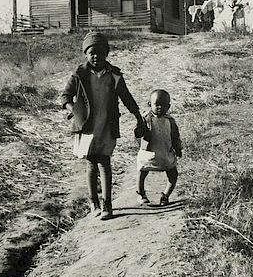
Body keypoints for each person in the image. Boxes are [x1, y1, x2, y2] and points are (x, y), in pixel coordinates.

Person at [58, 31, 146, 220]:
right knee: (91, 165)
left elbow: (127, 98)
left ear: (106, 54)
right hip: (87, 127)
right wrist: (74, 110)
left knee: (105, 163)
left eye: (100, 52)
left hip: (107, 126)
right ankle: (93, 203)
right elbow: (65, 96)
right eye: (92, 53)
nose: (96, 56)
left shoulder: (114, 75)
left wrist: (138, 116)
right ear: (86, 55)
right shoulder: (79, 74)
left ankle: (108, 205)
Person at [136, 89, 182, 206]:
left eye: (164, 105)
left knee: (173, 174)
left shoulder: (170, 121)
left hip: (166, 153)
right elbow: (137, 134)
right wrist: (139, 126)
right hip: (149, 154)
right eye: (157, 104)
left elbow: (175, 136)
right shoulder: (146, 119)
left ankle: (165, 195)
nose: (160, 107)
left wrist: (178, 148)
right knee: (142, 172)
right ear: (149, 104)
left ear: (169, 106)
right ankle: (141, 194)